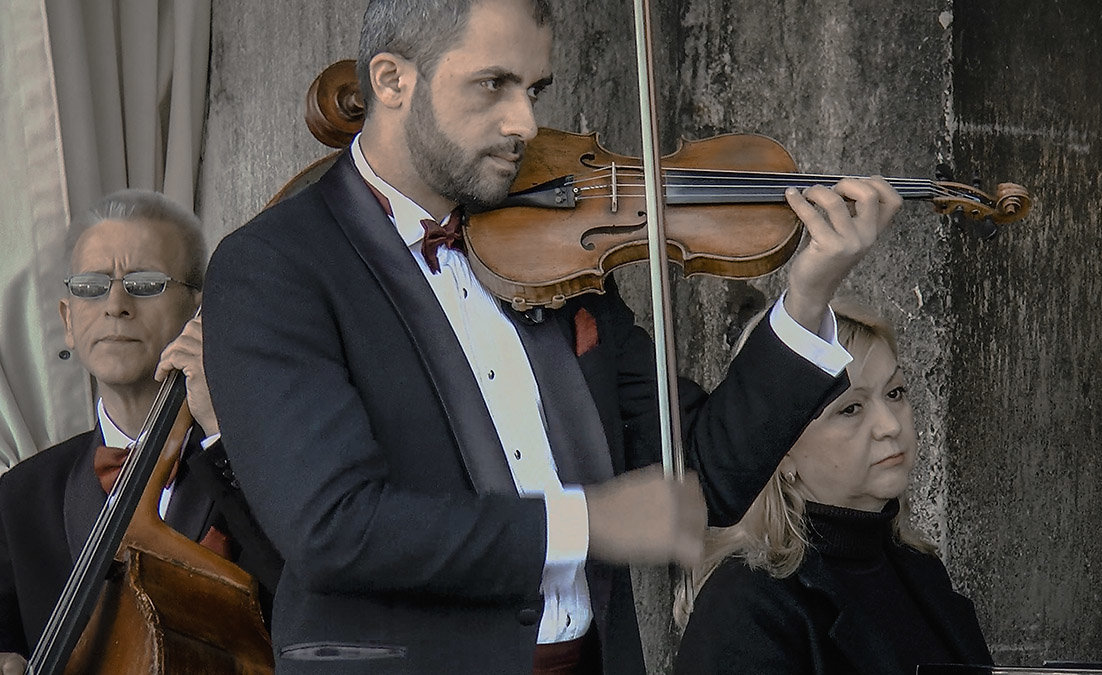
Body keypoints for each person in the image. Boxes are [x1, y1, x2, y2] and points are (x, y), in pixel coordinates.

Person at [200, 0, 903, 672]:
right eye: (493, 85)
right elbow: (334, 527)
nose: (525, 123)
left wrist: (809, 293)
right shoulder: (274, 267)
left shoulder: (559, 258)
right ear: (390, 79)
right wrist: (584, 522)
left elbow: (703, 475)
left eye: (534, 88)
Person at [0, 190, 279, 674]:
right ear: (68, 321)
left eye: (145, 283)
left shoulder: (253, 458)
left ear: (198, 310)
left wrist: (221, 436)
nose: (115, 305)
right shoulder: (19, 497)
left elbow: (307, 590)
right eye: (90, 287)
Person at [674, 303, 992, 674]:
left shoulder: (920, 569)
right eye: (851, 409)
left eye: (895, 393)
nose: (889, 425)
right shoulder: (746, 604)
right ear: (781, 450)